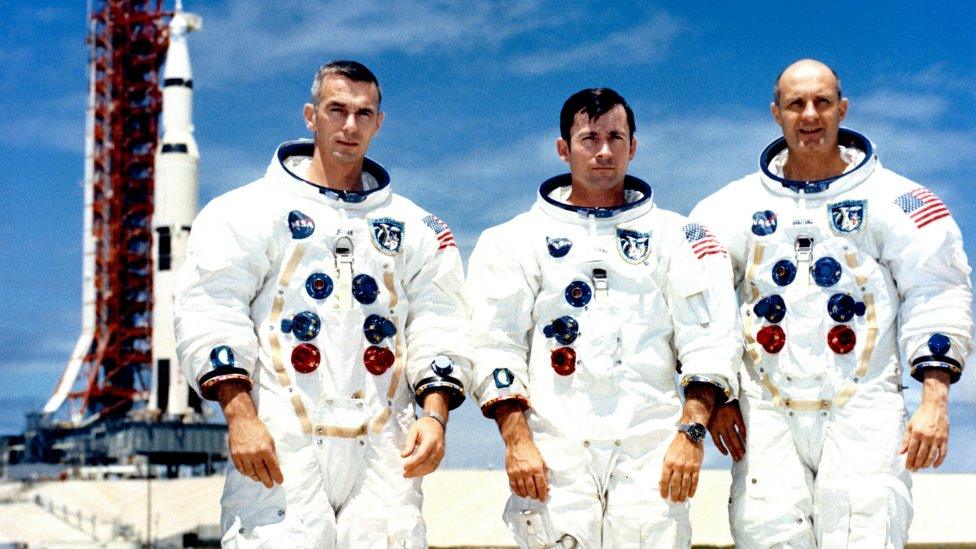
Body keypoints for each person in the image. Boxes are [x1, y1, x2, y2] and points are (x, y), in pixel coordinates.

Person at [175, 60, 473, 547]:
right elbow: (211, 309)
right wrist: (241, 417)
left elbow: (442, 322)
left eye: (363, 113)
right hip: (280, 432)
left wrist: (434, 414)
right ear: (311, 116)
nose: (350, 125)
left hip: (384, 437)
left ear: (379, 122)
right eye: (337, 110)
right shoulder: (246, 211)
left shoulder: (417, 228)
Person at [691, 59, 973, 548]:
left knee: (865, 531)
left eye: (822, 102)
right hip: (766, 411)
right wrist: (716, 400)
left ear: (842, 109)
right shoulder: (726, 210)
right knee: (766, 533)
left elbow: (938, 291)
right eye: (796, 103)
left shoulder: (898, 201)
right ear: (776, 113)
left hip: (861, 406)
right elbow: (698, 308)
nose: (810, 115)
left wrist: (935, 401)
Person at [467, 88, 740, 547]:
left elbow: (709, 339)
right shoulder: (513, 240)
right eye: (589, 138)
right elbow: (495, 344)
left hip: (651, 448)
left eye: (616, 137)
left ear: (633, 146)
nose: (604, 151)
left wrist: (691, 433)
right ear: (563, 148)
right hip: (554, 449)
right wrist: (517, 442)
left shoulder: (679, 237)